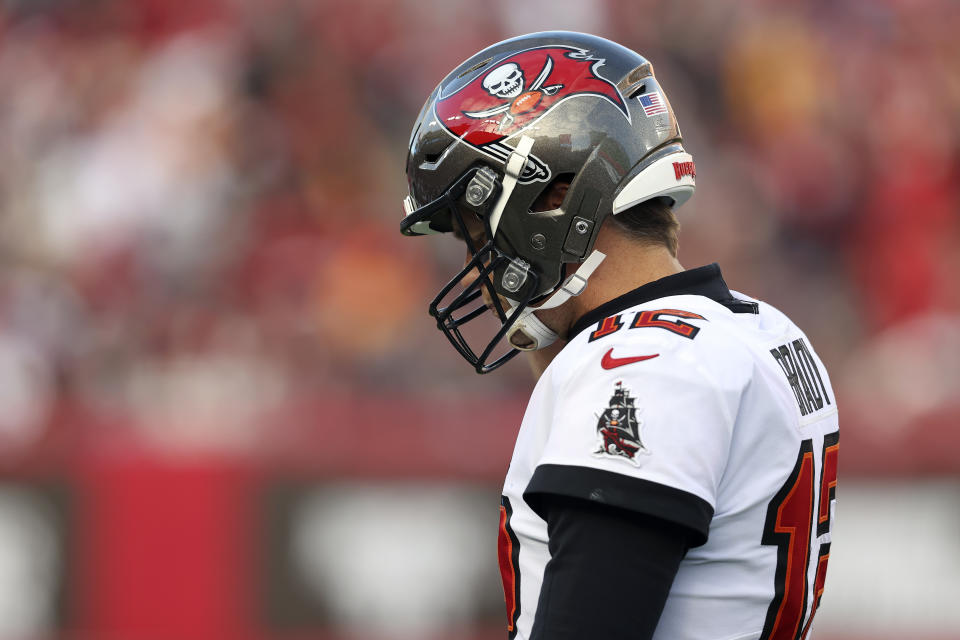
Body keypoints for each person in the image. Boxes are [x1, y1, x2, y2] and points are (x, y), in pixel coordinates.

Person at [400, 31, 839, 640]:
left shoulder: (641, 365)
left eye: (475, 229)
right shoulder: (760, 330)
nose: (477, 261)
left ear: (553, 198)